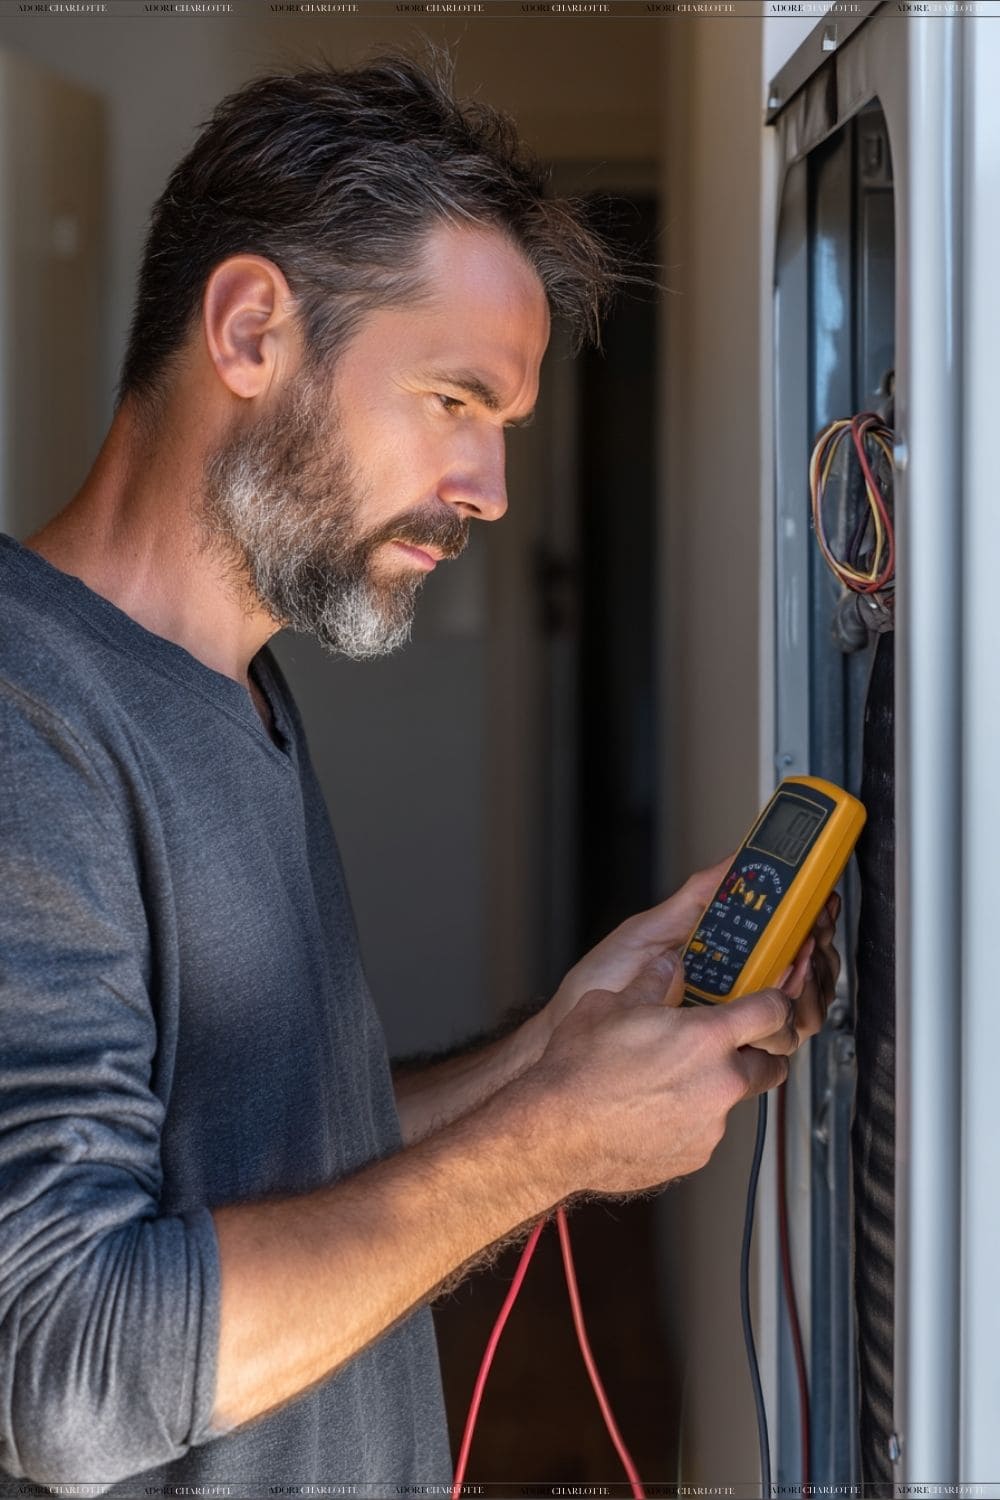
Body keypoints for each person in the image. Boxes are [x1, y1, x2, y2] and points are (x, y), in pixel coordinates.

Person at [0, 55, 839, 1496]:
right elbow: (65, 1369)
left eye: (501, 427)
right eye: (454, 399)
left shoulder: (235, 682)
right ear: (253, 329)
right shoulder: (33, 719)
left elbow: (265, 1172)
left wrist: (553, 1057)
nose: (492, 490)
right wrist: (547, 1137)